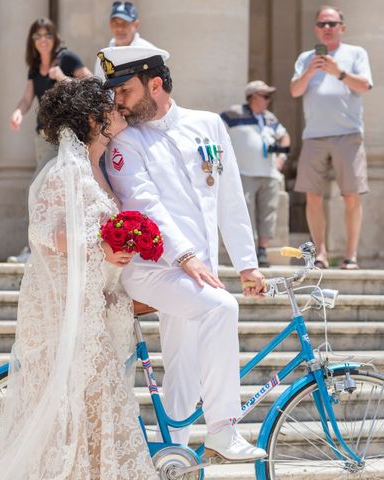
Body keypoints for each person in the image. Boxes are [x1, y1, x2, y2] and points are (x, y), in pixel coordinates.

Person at [0, 78, 157, 479]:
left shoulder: (97, 169)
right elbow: (43, 232)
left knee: (98, 410)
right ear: (95, 120)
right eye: (111, 107)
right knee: (77, 409)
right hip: (68, 314)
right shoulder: (66, 172)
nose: (120, 111)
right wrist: (102, 245)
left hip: (98, 307)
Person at [100, 45, 267, 461]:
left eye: (125, 90)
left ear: (154, 84)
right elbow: (143, 202)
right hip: (152, 268)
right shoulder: (125, 141)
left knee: (183, 371)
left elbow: (230, 198)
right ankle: (223, 428)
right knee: (221, 310)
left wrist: (247, 263)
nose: (117, 100)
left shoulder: (208, 125)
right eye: (115, 92)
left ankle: (173, 459)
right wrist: (185, 255)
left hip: (198, 269)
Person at [290, 5, 373, 270]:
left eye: (332, 24)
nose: (327, 28)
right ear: (316, 28)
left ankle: (350, 256)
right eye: (322, 24)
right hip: (314, 136)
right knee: (313, 197)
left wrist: (338, 71)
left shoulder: (356, 53)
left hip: (348, 135)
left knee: (352, 197)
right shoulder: (305, 58)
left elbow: (365, 85)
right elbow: (294, 91)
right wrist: (311, 71)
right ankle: (320, 254)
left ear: (342, 27)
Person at [7, 18, 91, 264]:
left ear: (54, 37)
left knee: (40, 187)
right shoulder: (34, 67)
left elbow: (91, 85)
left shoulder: (67, 58)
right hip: (43, 137)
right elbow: (26, 98)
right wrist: (18, 113)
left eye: (47, 35)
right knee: (46, 190)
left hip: (65, 135)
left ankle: (36, 248)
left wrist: (63, 77)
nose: (42, 40)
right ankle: (42, 246)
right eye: (37, 36)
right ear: (32, 41)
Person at [221, 80, 291, 267]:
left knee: (268, 213)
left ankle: (262, 251)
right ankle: (247, 251)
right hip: (244, 173)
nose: (268, 100)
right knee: (245, 213)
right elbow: (216, 131)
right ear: (252, 96)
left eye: (269, 96)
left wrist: (281, 159)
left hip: (269, 174)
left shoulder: (270, 118)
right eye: (265, 96)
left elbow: (285, 137)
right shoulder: (233, 113)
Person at [93, 1, 156, 79]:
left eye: (125, 23)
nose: (119, 29)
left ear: (136, 25)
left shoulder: (149, 52)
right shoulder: (104, 55)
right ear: (110, 24)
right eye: (116, 23)